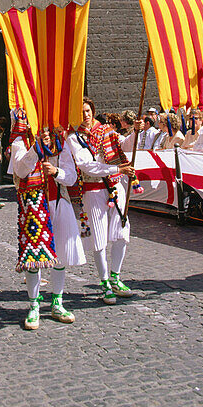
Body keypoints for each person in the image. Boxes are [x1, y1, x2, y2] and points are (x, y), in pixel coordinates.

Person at [8, 111, 84, 329]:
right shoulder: (20, 142)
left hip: (58, 200)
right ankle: (34, 306)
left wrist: (56, 171)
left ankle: (57, 302)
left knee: (58, 255)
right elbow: (21, 170)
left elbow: (71, 176)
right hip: (34, 205)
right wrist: (36, 148)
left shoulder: (61, 141)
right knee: (34, 256)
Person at [66, 97, 136, 304]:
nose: (86, 115)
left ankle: (116, 276)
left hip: (115, 186)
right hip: (93, 189)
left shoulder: (105, 130)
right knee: (98, 238)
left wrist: (135, 130)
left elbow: (124, 145)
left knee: (122, 231)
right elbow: (86, 165)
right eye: (81, 112)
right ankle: (104, 282)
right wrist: (117, 169)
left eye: (88, 110)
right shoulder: (73, 138)